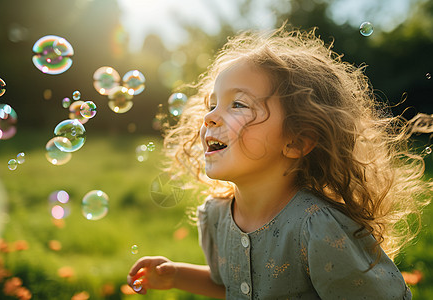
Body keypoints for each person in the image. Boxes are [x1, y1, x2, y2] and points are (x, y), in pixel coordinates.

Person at [127, 25, 431, 299]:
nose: (209, 116)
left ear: (296, 141)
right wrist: (177, 275)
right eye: (212, 104)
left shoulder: (318, 228)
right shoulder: (216, 216)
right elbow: (232, 287)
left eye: (238, 104)